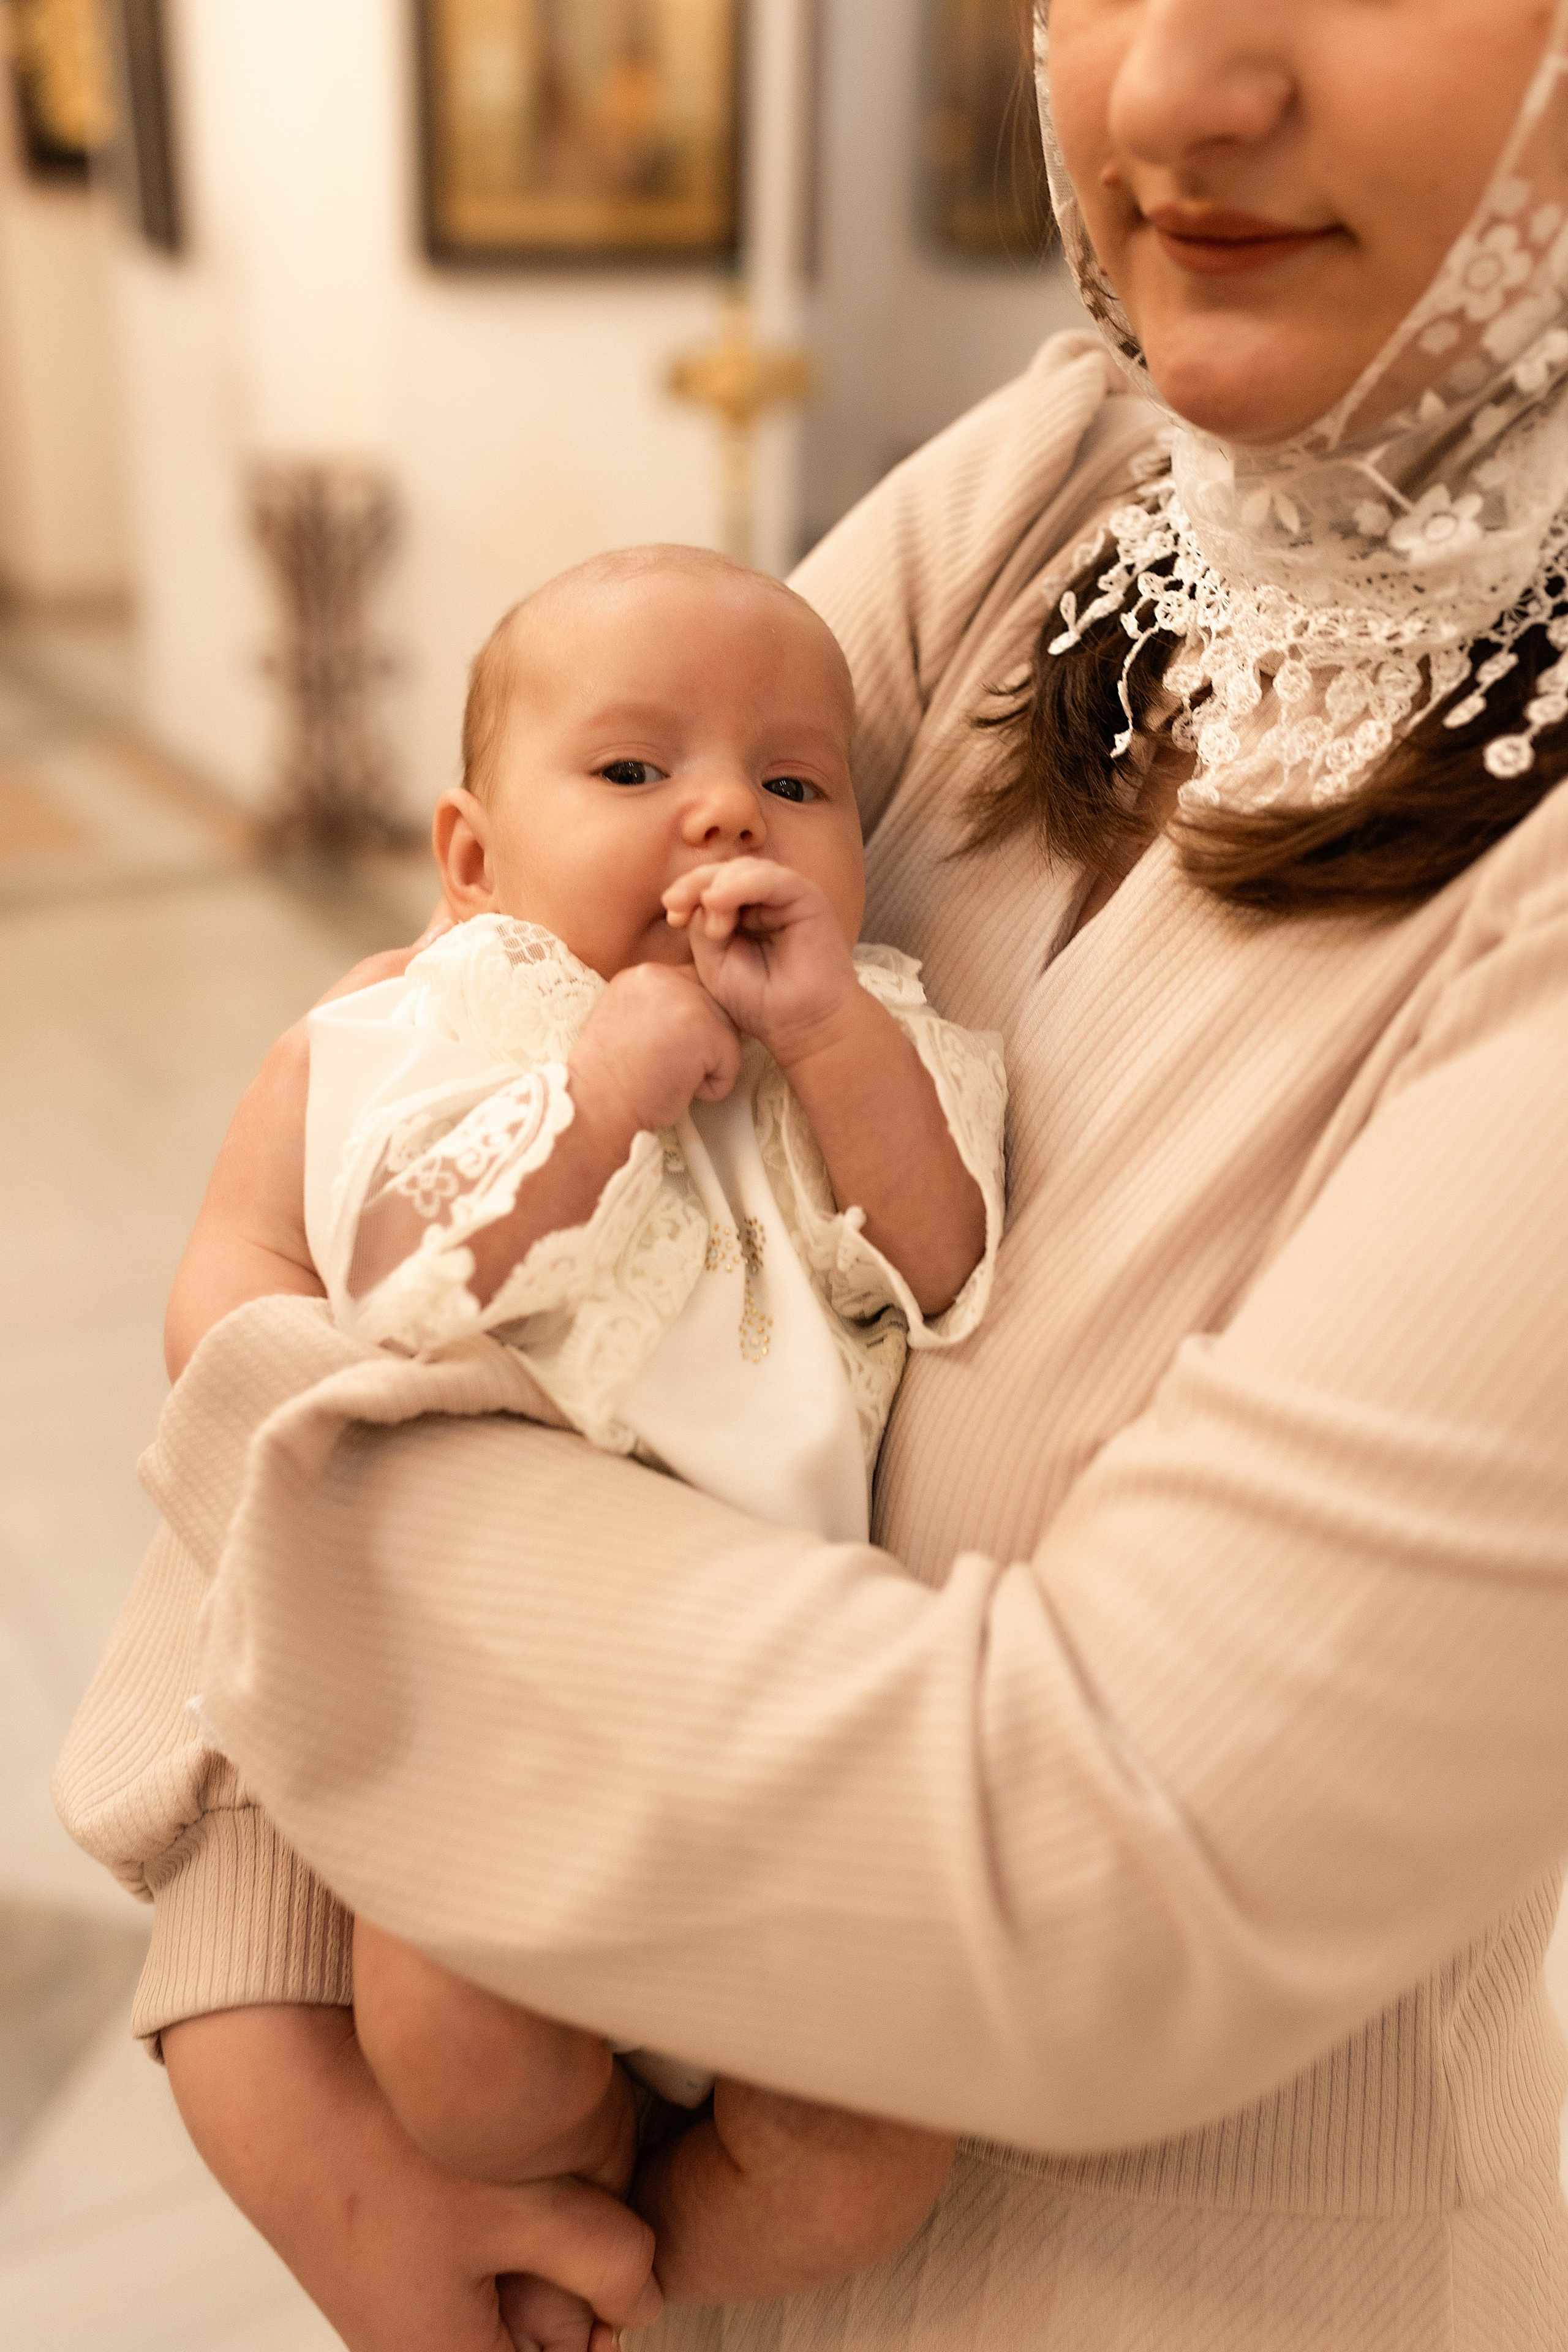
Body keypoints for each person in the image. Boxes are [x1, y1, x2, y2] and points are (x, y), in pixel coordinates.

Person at [55, 1, 1568, 2345]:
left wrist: (256, 1375)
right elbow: (446, 1074)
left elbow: (1099, 1867)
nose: (1176, 90)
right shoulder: (1069, 472)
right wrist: (278, 2030)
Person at [284, 549, 1001, 2350]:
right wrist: (597, 1089)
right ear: (473, 860)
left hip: (786, 1732)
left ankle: (661, 2263)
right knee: (455, 2056)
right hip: (509, 1699)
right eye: (630, 770)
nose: (724, 814)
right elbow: (399, 1278)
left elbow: (943, 1266)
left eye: (795, 784)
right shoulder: (447, 1018)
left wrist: (826, 1033)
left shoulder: (873, 1029)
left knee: (874, 2152)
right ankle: (574, 2173)